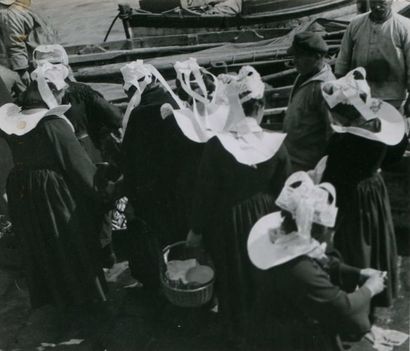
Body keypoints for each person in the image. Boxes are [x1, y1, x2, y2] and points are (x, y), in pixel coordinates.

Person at [185, 65, 291, 345]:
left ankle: (239, 332)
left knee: (233, 275)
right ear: (261, 107)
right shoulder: (275, 142)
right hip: (267, 214)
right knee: (264, 272)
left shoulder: (218, 145)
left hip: (228, 220)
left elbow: (204, 194)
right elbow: (284, 188)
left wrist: (195, 230)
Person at [0, 63, 107, 309]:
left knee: (39, 242)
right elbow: (78, 166)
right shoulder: (53, 124)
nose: (61, 97)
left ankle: (53, 296)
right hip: (52, 191)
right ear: (49, 93)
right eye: (59, 93)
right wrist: (101, 189)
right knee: (68, 239)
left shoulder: (13, 122)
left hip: (21, 187)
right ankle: (84, 298)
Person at [247, 172, 386, 351]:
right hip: (294, 339)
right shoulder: (299, 268)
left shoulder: (286, 240)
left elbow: (324, 261)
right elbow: (342, 306)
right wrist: (371, 288)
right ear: (316, 230)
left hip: (274, 322)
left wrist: (358, 272)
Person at [320, 67, 405, 307]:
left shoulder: (343, 143)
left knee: (355, 246)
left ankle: (357, 299)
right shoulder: (381, 132)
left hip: (352, 199)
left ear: (342, 115)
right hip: (374, 190)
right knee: (376, 238)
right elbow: (395, 154)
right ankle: (379, 293)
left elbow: (334, 180)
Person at [33, 45, 123, 268]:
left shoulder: (30, 95)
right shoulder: (80, 91)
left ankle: (80, 254)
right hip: (86, 150)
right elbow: (114, 117)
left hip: (51, 160)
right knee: (99, 197)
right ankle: (105, 252)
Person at [120, 60, 203, 290]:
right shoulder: (173, 103)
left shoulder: (138, 114)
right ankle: (187, 280)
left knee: (157, 238)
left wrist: (131, 194)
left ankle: (160, 282)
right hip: (177, 187)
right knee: (178, 236)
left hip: (150, 191)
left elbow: (129, 159)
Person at [335, 0, 410, 113]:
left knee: (393, 129)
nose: (376, 6)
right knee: (362, 129)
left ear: (391, 1)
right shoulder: (355, 24)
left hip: (392, 98)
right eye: (373, 2)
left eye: (381, 2)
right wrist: (338, 89)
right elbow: (343, 58)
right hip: (359, 95)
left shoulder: (405, 26)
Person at [283, 31, 335, 172]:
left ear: (317, 57)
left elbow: (332, 132)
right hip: (291, 159)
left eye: (299, 56)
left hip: (308, 166)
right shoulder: (303, 76)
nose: (294, 61)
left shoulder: (326, 87)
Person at [0, 0, 58, 85]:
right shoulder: (27, 6)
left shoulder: (10, 14)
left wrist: (22, 70)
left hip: (34, 64)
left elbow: (15, 44)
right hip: (45, 58)